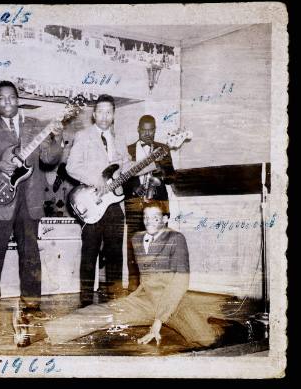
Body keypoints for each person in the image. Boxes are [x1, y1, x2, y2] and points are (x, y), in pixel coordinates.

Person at [13, 201, 245, 349]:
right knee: (99, 314)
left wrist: (158, 321)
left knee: (205, 339)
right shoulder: (136, 239)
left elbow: (179, 282)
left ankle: (233, 326)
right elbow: (147, 279)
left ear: (165, 219)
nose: (150, 223)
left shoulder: (177, 239)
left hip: (174, 303)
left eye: (156, 218)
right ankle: (32, 333)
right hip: (145, 301)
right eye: (146, 218)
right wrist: (132, 301)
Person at [0, 80, 63, 326]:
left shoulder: (36, 126)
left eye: (11, 97)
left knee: (30, 254)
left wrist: (57, 139)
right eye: (1, 98)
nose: (7, 101)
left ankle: (32, 304)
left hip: (30, 200)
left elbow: (49, 160)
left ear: (18, 100)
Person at [66, 94, 131, 306]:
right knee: (89, 253)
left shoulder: (119, 140)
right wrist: (96, 180)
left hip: (114, 205)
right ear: (94, 115)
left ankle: (115, 302)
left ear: (114, 115)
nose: (104, 116)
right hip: (92, 203)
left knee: (115, 255)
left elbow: (127, 167)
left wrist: (140, 165)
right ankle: (85, 303)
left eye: (109, 112)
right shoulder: (83, 136)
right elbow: (71, 166)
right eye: (100, 111)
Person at [123, 115, 175, 291]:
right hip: (135, 203)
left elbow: (171, 177)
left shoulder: (163, 148)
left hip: (157, 204)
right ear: (138, 129)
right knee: (134, 246)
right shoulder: (128, 150)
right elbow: (121, 178)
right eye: (144, 129)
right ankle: (134, 287)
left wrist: (161, 168)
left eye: (151, 129)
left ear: (155, 129)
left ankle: (156, 288)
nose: (147, 133)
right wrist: (133, 188)